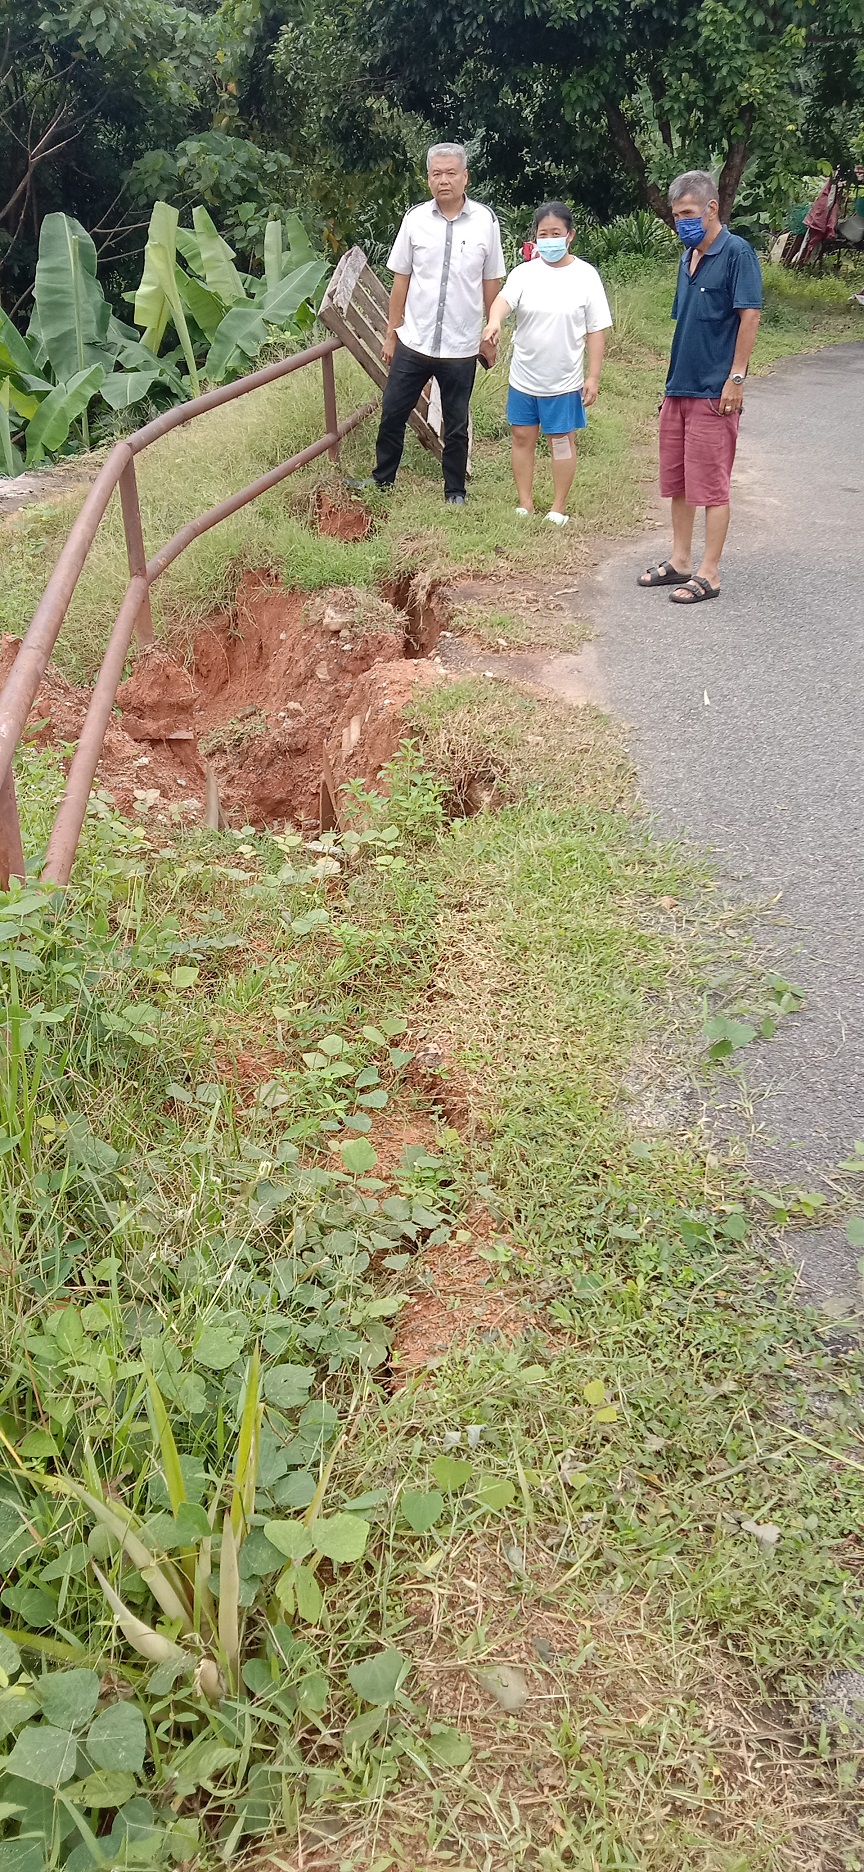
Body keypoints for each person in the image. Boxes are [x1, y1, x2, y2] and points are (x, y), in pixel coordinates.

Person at [353, 143, 504, 504]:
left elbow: (491, 281)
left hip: (460, 344)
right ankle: (382, 480)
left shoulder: (485, 222)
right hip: (414, 341)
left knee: (456, 424)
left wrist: (490, 333)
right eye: (437, 173)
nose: (444, 180)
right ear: (428, 179)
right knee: (393, 412)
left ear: (465, 177)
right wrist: (392, 335)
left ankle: (455, 491)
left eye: (451, 173)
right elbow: (401, 281)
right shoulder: (415, 220)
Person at [638, 169, 762, 604]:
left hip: (715, 392)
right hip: (679, 388)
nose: (682, 222)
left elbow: (749, 316)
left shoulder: (737, 253)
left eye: (688, 213)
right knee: (678, 482)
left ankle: (710, 572)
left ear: (712, 208)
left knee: (711, 485)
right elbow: (687, 325)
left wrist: (736, 377)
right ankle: (680, 560)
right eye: (676, 215)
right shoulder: (686, 257)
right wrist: (670, 386)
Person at [480, 202, 612, 525]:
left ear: (570, 236)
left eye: (556, 233)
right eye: (543, 234)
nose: (550, 239)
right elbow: (502, 302)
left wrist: (593, 377)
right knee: (521, 438)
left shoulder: (586, 276)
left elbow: (596, 330)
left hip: (563, 382)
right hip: (524, 378)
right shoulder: (525, 274)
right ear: (535, 237)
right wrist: (494, 322)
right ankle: (524, 503)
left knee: (561, 443)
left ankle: (558, 508)